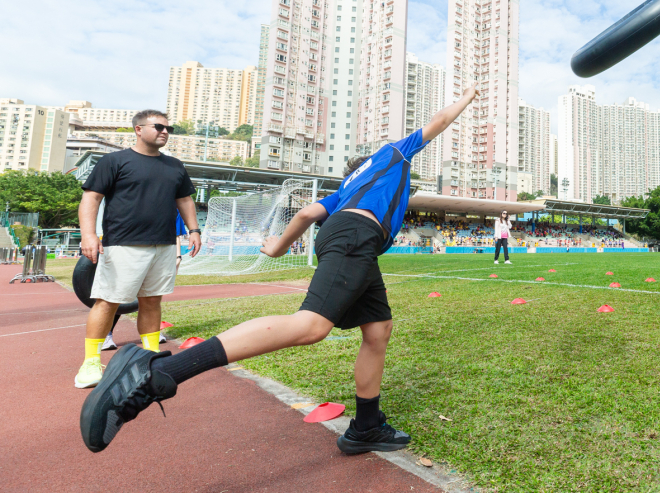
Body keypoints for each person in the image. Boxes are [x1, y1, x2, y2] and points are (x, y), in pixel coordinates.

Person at [79, 85, 480, 454]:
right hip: (357, 237)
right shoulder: (393, 155)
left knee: (378, 330)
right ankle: (160, 372)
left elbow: (307, 213)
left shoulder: (348, 187)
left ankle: (367, 426)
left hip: (349, 238)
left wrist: (278, 248)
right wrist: (466, 97)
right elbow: (439, 123)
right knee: (311, 326)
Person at [74, 110, 202, 389]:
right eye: (159, 127)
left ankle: (150, 356)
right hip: (122, 244)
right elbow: (91, 199)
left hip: (164, 244)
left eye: (169, 128)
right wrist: (89, 234)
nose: (165, 131)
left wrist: (194, 230)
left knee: (153, 300)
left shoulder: (175, 166)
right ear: (138, 129)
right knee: (108, 301)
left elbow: (185, 200)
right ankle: (90, 362)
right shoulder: (114, 161)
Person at [101, 213, 189, 352]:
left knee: (152, 297)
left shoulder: (173, 204)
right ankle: (107, 334)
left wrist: (178, 256)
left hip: (160, 250)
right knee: (120, 295)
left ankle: (152, 335)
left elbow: (176, 233)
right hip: (130, 248)